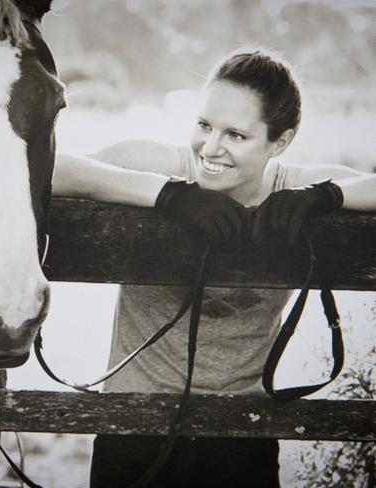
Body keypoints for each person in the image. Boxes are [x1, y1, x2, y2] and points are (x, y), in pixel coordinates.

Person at [51, 47, 376, 487]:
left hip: (242, 432)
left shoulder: (291, 184)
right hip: (134, 426)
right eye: (204, 125)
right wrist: (167, 193)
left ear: (280, 142)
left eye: (237, 135)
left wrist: (328, 196)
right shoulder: (165, 164)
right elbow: (46, 169)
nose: (211, 147)